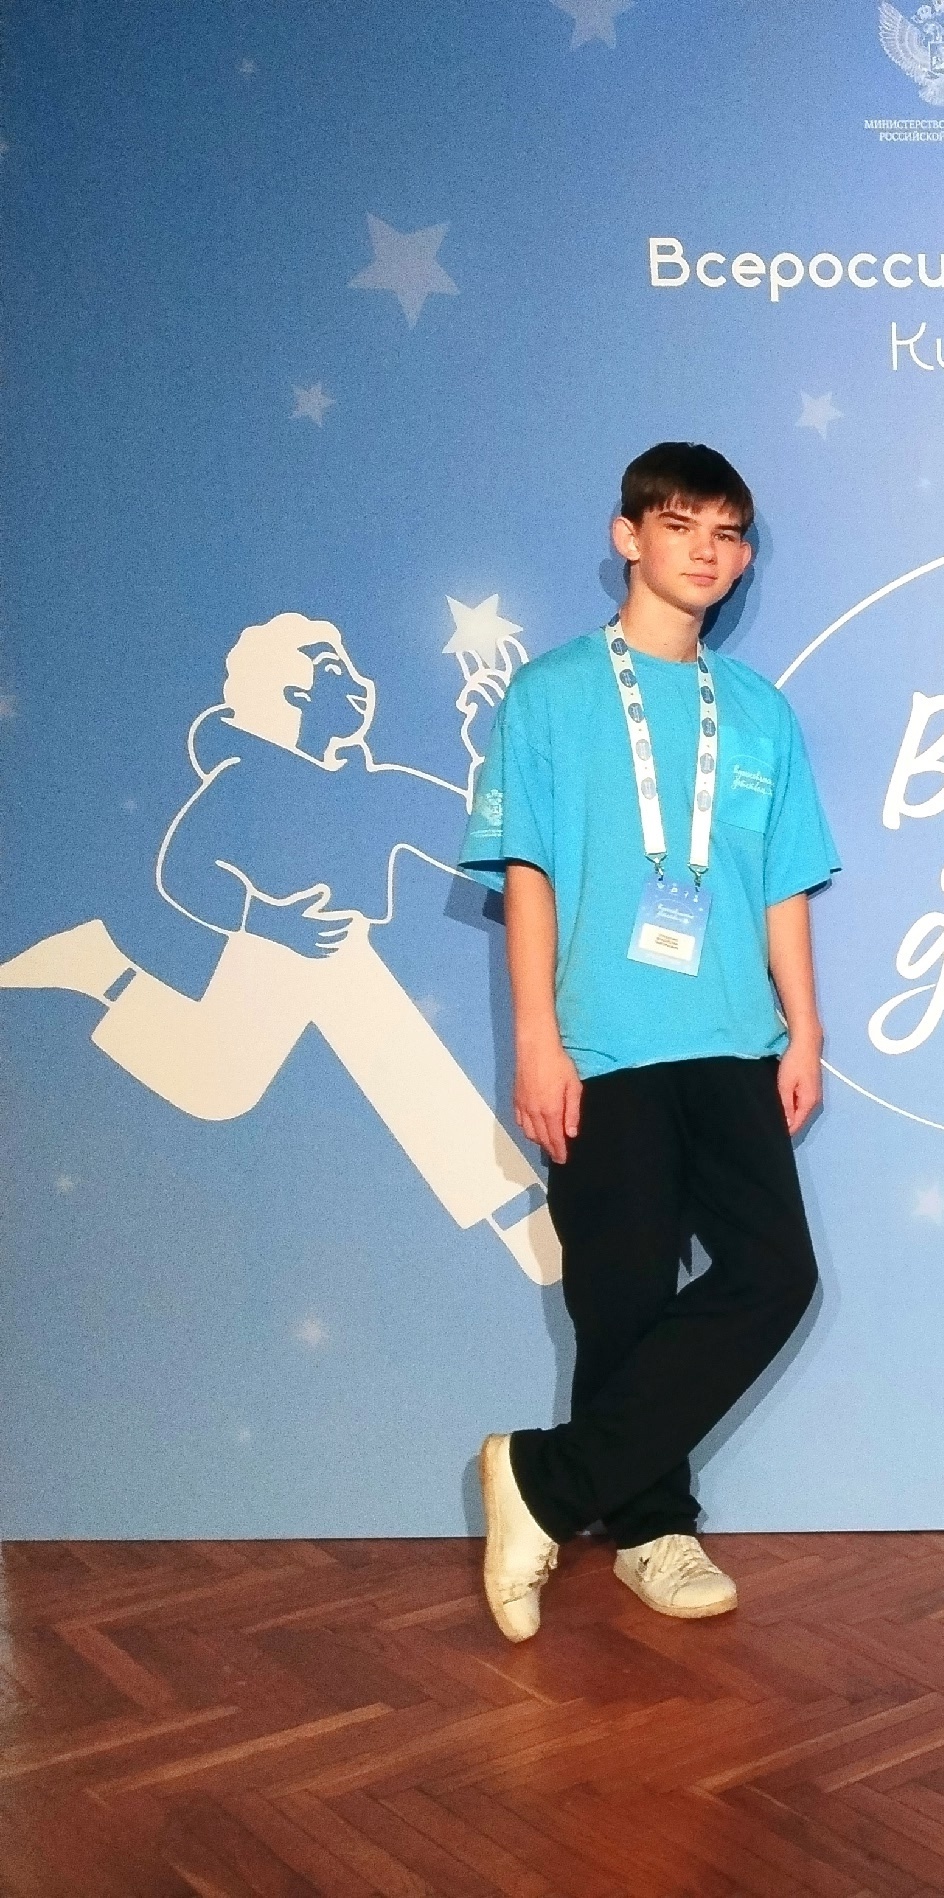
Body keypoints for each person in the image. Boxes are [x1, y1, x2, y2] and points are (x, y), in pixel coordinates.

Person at [458, 443, 839, 1643]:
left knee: (774, 1272)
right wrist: (536, 1038)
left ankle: (543, 1478)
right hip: (603, 1044)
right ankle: (651, 1526)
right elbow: (528, 874)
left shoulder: (760, 710)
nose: (707, 552)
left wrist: (804, 1026)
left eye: (728, 534)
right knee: (619, 1300)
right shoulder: (552, 693)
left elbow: (783, 883)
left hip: (732, 1038)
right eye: (681, 525)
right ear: (629, 536)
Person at [0, 613, 558, 1281]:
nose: (360, 683)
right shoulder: (248, 777)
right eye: (334, 670)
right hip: (276, 953)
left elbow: (473, 837)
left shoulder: (370, 784)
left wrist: (489, 746)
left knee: (354, 1065)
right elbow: (185, 868)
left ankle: (523, 1218)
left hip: (335, 949)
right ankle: (103, 970)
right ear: (293, 693)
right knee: (223, 1083)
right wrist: (266, 919)